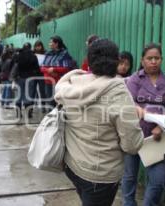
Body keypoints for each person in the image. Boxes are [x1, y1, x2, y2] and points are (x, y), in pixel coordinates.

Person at [54, 39, 144, 206]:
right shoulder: (118, 92)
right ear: (116, 61)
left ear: (89, 60)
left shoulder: (74, 83)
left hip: (72, 165)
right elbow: (132, 145)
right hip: (100, 175)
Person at [122, 43, 165, 206]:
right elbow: (130, 104)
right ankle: (128, 203)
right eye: (149, 58)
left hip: (158, 136)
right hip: (134, 132)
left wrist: (161, 126)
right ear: (142, 60)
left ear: (161, 60)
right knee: (130, 175)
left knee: (158, 179)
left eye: (157, 58)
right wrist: (151, 117)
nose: (153, 61)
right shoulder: (134, 79)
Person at [41, 35, 75, 111]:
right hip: (48, 81)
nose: (49, 44)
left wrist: (54, 69)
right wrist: (49, 71)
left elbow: (66, 68)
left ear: (56, 44)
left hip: (58, 81)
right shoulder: (48, 54)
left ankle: (58, 117)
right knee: (49, 100)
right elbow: (42, 68)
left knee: (57, 101)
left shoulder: (64, 54)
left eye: (51, 42)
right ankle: (52, 118)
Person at [15, 43, 39, 118]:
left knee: (19, 95)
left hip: (19, 78)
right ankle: (28, 113)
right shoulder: (33, 56)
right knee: (28, 95)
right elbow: (37, 68)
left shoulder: (18, 55)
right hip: (30, 78)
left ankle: (18, 113)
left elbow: (14, 66)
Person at [32, 40, 46, 112]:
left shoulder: (45, 53)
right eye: (36, 46)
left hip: (42, 74)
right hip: (34, 74)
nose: (38, 48)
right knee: (32, 90)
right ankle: (31, 106)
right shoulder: (32, 54)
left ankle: (43, 106)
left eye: (39, 46)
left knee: (42, 90)